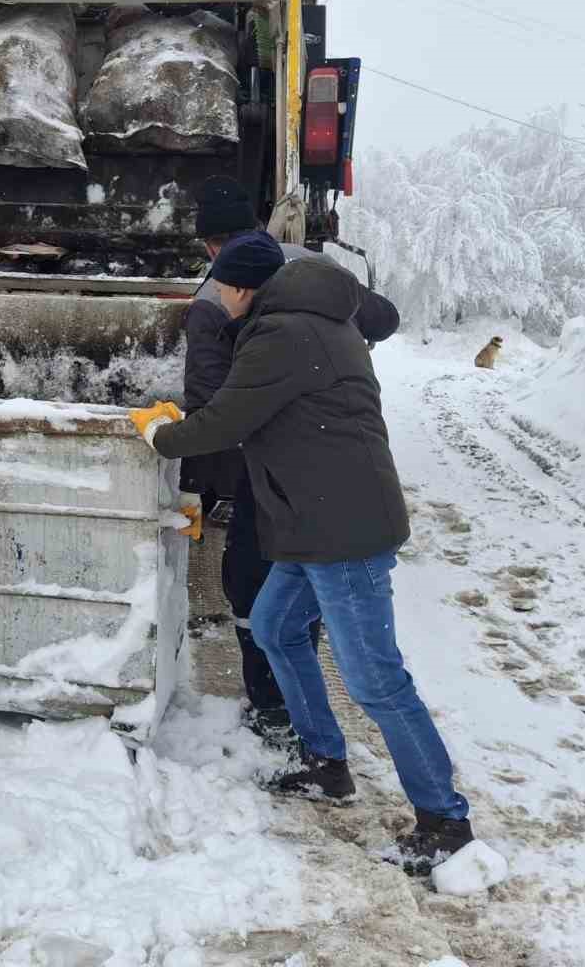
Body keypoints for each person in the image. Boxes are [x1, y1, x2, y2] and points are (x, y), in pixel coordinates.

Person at [132, 232, 475, 874]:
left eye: (222, 290)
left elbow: (227, 420)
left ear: (242, 289)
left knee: (376, 680)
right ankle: (325, 763)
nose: (220, 301)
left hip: (340, 530)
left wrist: (159, 433)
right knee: (275, 627)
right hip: (311, 519)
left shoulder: (284, 336)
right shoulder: (312, 321)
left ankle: (444, 821)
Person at [183, 176, 400, 747]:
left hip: (275, 466)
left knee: (251, 578)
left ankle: (272, 705)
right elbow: (386, 319)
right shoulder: (315, 267)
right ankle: (298, 697)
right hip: (343, 452)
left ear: (209, 247)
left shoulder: (213, 299)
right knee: (301, 594)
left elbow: (208, 403)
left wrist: (203, 487)